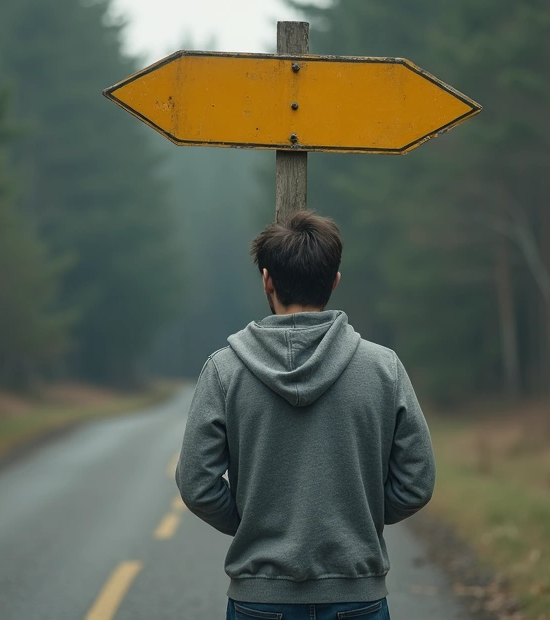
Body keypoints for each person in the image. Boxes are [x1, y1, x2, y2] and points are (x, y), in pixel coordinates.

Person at [175, 210, 436, 620]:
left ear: (267, 280)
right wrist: (357, 515)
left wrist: (251, 521)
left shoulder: (225, 370)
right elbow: (417, 481)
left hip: (259, 599)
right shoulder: (384, 367)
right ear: (334, 280)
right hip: (359, 598)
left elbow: (196, 483)